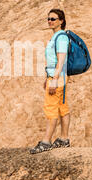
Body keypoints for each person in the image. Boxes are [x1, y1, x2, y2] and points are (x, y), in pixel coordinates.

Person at [30, 9, 71, 154]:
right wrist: (47, 78)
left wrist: (53, 80)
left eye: (53, 19)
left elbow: (60, 61)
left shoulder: (60, 38)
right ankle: (64, 139)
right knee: (62, 107)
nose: (50, 21)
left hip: (57, 78)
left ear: (61, 21)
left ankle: (46, 142)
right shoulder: (56, 37)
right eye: (48, 18)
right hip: (57, 77)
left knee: (51, 109)